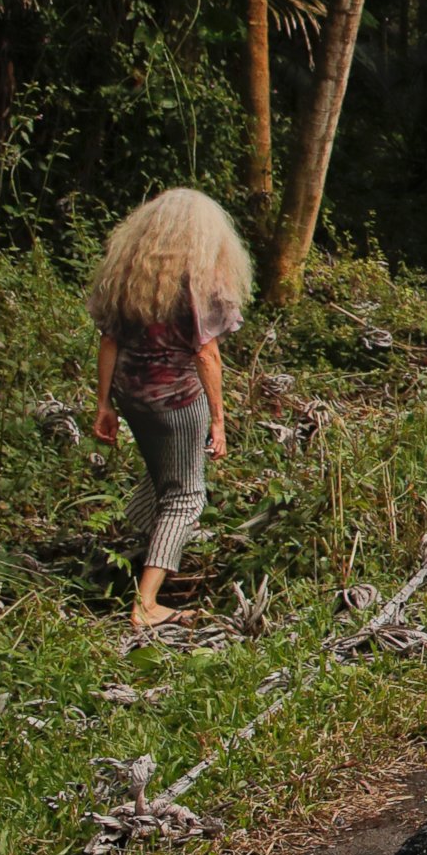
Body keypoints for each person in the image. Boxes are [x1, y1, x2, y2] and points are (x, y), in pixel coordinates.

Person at [85, 189, 251, 630]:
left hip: (132, 395)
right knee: (186, 496)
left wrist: (104, 404)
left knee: (165, 474)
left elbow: (108, 340)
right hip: (178, 401)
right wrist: (218, 420)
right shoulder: (199, 285)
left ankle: (143, 540)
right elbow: (206, 356)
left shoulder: (129, 275)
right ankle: (147, 604)